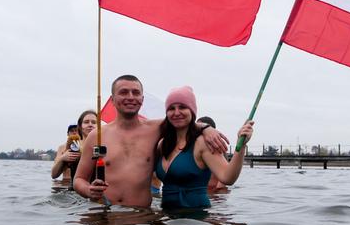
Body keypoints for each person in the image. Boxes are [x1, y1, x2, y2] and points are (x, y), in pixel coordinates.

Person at [74, 75, 228, 208]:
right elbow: (79, 179)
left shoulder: (155, 129)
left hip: (142, 217)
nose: (130, 97)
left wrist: (206, 128)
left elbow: (184, 121)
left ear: (142, 99)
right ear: (112, 99)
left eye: (136, 93)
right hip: (106, 213)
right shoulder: (97, 135)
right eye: (123, 92)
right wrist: (88, 190)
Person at [155, 86, 253, 210]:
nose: (176, 112)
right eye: (171, 108)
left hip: (196, 221)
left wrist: (241, 146)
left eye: (182, 107)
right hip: (166, 219)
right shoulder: (162, 144)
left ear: (192, 111)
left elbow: (228, 177)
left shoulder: (203, 143)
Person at [51, 111, 97, 182]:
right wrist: (63, 158)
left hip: (96, 189)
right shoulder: (73, 146)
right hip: (74, 191)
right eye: (86, 122)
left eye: (94, 122)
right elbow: (54, 175)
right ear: (80, 126)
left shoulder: (104, 145)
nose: (90, 125)